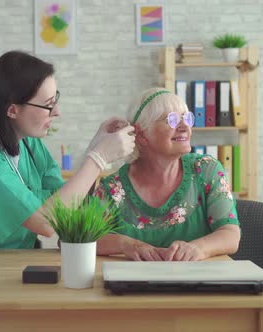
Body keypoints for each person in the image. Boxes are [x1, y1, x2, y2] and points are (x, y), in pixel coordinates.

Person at [0, 50, 135, 250]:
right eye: (49, 105)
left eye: (55, 100)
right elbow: (46, 223)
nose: (57, 112)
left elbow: (68, 206)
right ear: (12, 110)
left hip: (17, 264)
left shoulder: (29, 143)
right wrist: (98, 158)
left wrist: (94, 149)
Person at [94, 87, 240, 261]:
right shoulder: (112, 188)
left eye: (187, 118)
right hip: (134, 286)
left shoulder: (207, 170)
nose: (184, 126)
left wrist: (198, 248)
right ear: (141, 135)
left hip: (199, 284)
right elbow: (77, 239)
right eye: (172, 120)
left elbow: (230, 234)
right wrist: (126, 244)